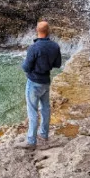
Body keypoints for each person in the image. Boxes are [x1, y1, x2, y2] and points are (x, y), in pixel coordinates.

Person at [16, 20, 62, 149]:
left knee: (32, 112)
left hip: (33, 82)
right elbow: (57, 64)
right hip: (46, 82)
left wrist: (24, 66)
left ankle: (31, 141)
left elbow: (26, 67)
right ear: (49, 31)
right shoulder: (55, 46)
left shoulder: (34, 47)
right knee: (45, 108)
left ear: (37, 30)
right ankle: (44, 134)